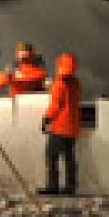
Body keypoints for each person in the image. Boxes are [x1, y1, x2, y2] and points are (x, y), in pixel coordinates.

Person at [40, 50, 82, 196]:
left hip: (60, 127)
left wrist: (46, 119)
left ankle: (53, 185)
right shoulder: (75, 83)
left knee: (51, 156)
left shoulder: (59, 83)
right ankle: (70, 186)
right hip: (73, 127)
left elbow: (56, 105)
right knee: (69, 157)